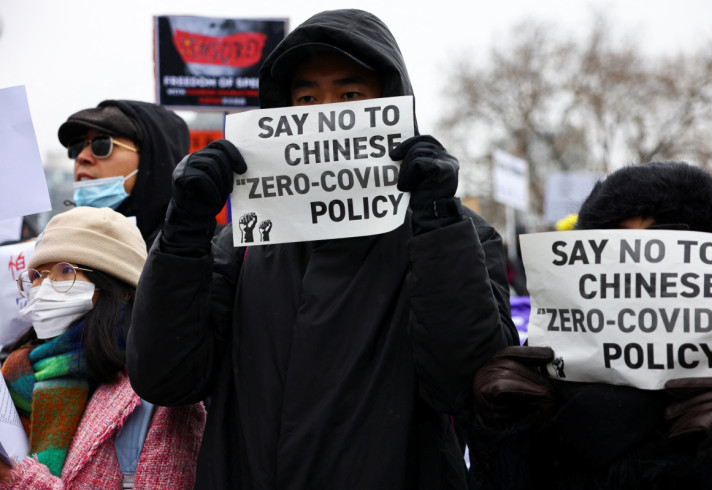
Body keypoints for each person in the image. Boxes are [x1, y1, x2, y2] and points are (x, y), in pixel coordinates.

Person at [126, 8, 518, 489]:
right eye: (306, 97)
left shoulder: (455, 235)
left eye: (350, 94)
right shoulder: (243, 243)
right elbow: (166, 377)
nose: (325, 113)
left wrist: (438, 225)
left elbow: (466, 386)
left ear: (391, 104)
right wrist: (184, 232)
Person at [469, 161, 712, 489]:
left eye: (664, 240)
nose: (637, 264)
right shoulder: (550, 373)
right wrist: (501, 432)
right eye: (615, 243)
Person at [0, 207, 205, 488]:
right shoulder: (13, 378)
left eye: (65, 271)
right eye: (36, 276)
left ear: (120, 290)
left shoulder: (159, 396)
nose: (43, 288)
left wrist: (17, 481)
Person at [57, 100, 190, 249]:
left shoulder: (207, 253)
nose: (82, 156)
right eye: (76, 147)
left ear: (150, 157)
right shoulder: (58, 250)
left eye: (101, 144)